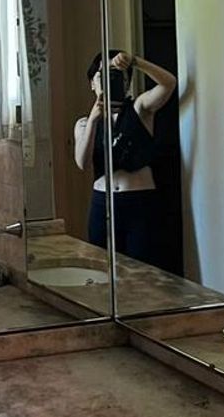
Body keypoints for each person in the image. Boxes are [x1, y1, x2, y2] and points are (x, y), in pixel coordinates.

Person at [74, 50, 177, 266]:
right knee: (102, 268)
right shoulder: (84, 123)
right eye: (102, 75)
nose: (108, 80)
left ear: (127, 81)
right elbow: (82, 163)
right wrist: (93, 119)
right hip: (102, 204)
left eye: (115, 74)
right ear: (92, 83)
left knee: (143, 271)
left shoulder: (140, 108)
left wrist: (135, 62)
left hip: (139, 202)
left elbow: (169, 84)